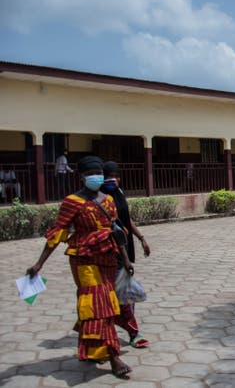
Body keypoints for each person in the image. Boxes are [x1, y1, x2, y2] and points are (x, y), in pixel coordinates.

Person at [26, 156, 134, 378]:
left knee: (103, 304)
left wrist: (126, 260)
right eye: (92, 173)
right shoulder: (72, 202)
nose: (97, 177)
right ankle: (113, 356)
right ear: (82, 176)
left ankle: (91, 350)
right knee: (98, 303)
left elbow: (117, 231)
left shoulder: (108, 200)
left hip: (107, 258)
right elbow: (58, 233)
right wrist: (39, 263)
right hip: (83, 259)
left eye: (99, 172)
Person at [101, 161, 151, 349]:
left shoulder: (119, 193)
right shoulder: (99, 198)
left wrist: (141, 238)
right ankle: (131, 332)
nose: (112, 179)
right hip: (109, 252)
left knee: (125, 292)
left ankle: (130, 331)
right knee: (113, 293)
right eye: (108, 176)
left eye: (116, 175)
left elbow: (126, 219)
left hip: (124, 251)